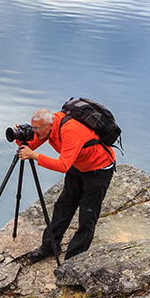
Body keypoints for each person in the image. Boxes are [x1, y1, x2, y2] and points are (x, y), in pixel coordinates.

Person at [16, 107, 116, 260]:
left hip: (99, 168)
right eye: (33, 128)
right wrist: (20, 137)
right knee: (63, 205)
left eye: (37, 129)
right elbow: (31, 145)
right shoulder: (48, 127)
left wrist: (34, 156)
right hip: (78, 165)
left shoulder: (70, 130)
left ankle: (73, 258)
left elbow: (63, 165)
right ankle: (49, 247)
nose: (35, 133)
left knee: (87, 213)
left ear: (49, 126)